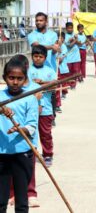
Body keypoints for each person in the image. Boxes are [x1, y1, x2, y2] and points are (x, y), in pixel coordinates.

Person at [0, 58, 39, 213]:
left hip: (22, 153)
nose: (15, 82)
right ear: (4, 78)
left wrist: (20, 128)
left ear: (25, 80)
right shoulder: (0, 97)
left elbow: (32, 126)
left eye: (19, 78)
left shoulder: (30, 98)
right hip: (2, 153)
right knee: (1, 199)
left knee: (22, 201)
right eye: (11, 78)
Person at [28, 45, 57, 167]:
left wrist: (43, 83)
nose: (38, 59)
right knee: (30, 132)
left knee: (45, 133)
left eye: (41, 56)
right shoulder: (27, 70)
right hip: (30, 108)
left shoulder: (50, 71)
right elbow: (24, 87)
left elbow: (54, 87)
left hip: (46, 109)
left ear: (45, 58)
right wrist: (33, 83)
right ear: (32, 57)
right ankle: (30, 154)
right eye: (35, 56)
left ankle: (48, 155)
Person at [64, 22, 81, 89]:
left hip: (76, 57)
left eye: (71, 28)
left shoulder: (75, 35)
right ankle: (69, 84)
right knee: (69, 72)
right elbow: (70, 45)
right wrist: (75, 40)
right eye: (69, 28)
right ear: (66, 28)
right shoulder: (65, 36)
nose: (70, 29)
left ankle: (73, 84)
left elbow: (80, 44)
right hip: (69, 58)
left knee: (76, 71)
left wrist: (75, 39)